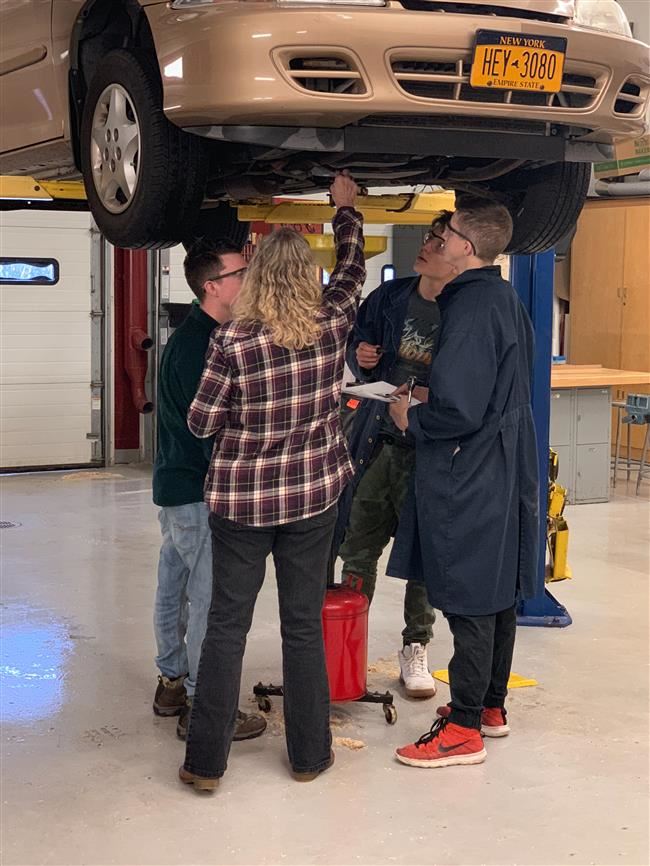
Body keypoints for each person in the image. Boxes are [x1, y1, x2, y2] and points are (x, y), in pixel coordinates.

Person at [179, 171, 366, 791]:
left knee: (227, 627)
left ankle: (205, 764)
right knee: (302, 624)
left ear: (255, 276)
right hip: (314, 497)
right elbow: (352, 269)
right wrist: (345, 210)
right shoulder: (331, 321)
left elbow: (202, 421)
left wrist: (244, 416)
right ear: (306, 274)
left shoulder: (233, 338)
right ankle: (310, 757)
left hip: (241, 501)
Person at [387, 198, 539, 768]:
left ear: (464, 247)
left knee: (472, 595)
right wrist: (441, 396)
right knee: (497, 590)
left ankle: (465, 728)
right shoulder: (502, 297)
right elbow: (486, 387)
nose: (440, 238)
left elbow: (459, 411)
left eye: (446, 232)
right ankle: (491, 708)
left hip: (468, 468)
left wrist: (413, 416)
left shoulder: (471, 309)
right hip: (502, 462)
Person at [335, 213, 456, 698]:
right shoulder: (389, 297)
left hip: (426, 451)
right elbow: (354, 343)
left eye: (438, 241)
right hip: (376, 443)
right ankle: (349, 642)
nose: (425, 246)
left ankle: (416, 646)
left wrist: (427, 400)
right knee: (357, 546)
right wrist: (359, 354)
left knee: (421, 556)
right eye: (427, 237)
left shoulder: (461, 311)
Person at [151, 239, 266, 743]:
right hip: (199, 493)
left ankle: (172, 681)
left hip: (177, 488)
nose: (250, 281)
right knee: (208, 599)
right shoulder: (204, 347)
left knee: (173, 587)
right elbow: (207, 431)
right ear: (212, 286)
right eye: (242, 273)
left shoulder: (197, 335)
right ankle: (203, 701)